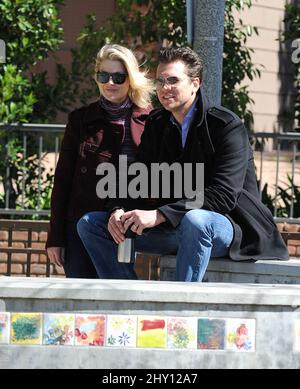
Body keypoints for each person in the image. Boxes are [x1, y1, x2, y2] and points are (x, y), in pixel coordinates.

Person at [77, 47, 289, 282]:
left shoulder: (226, 126)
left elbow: (223, 195)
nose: (165, 88)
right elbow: (136, 178)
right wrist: (118, 209)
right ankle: (131, 301)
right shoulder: (157, 123)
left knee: (196, 220)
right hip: (174, 228)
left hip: (230, 230)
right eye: (161, 81)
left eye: (173, 80)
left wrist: (159, 214)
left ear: (195, 83)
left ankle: (181, 310)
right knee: (91, 224)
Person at [46, 44, 153, 278]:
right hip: (81, 223)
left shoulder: (151, 120)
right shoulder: (80, 120)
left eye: (118, 76)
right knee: (83, 308)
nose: (110, 83)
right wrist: (56, 237)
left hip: (128, 226)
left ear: (131, 79)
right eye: (103, 75)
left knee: (123, 302)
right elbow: (63, 181)